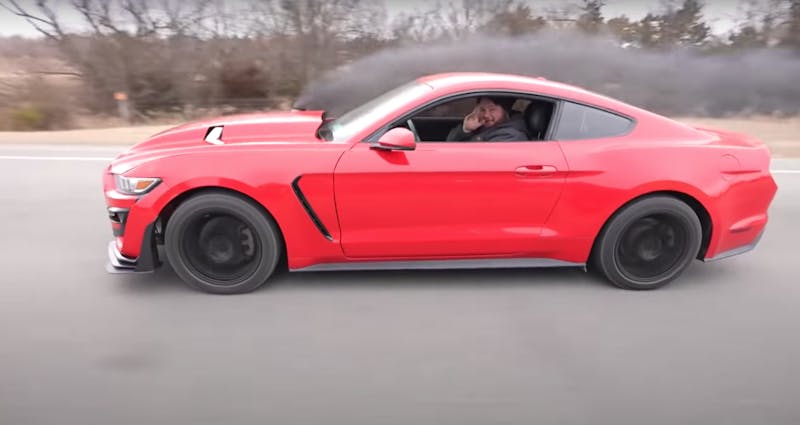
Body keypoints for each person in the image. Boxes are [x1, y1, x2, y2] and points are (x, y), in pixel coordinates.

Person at [446, 96, 528, 142]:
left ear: (505, 112)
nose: (486, 115)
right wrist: (466, 129)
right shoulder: (479, 125)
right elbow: (449, 144)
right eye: (482, 109)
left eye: (492, 110)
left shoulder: (510, 136)